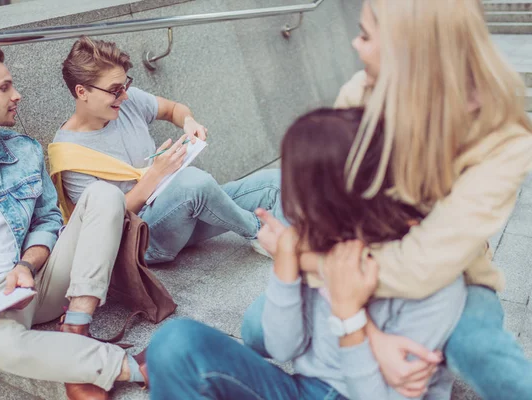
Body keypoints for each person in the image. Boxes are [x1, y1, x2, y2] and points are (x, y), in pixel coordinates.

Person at [244, 1, 532, 399]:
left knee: (477, 348)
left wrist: (295, 257)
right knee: (258, 327)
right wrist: (368, 334)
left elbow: (421, 268)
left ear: (410, 50)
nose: (354, 45)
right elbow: (327, 204)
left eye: (365, 35)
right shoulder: (360, 94)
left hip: (449, 278)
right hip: (352, 253)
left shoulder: (502, 139)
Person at [146, 107, 464, 399]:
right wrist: (287, 268)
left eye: (301, 185)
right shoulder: (322, 246)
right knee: (176, 343)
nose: (291, 197)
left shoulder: (431, 280)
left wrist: (350, 318)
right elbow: (285, 348)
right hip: (308, 390)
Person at [0, 40, 147, 400]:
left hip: (36, 283)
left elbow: (48, 220)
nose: (16, 95)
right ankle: (128, 367)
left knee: (105, 194)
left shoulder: (23, 151)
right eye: (4, 87)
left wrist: (26, 265)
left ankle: (76, 328)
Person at [51, 36, 284, 264]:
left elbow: (173, 109)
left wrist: (189, 122)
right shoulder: (68, 153)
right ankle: (261, 234)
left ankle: (291, 231)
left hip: (179, 208)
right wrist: (156, 174)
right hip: (142, 241)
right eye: (115, 90)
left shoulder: (125, 101)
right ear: (82, 92)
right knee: (194, 183)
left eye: (125, 85)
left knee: (275, 182)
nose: (124, 95)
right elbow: (104, 219)